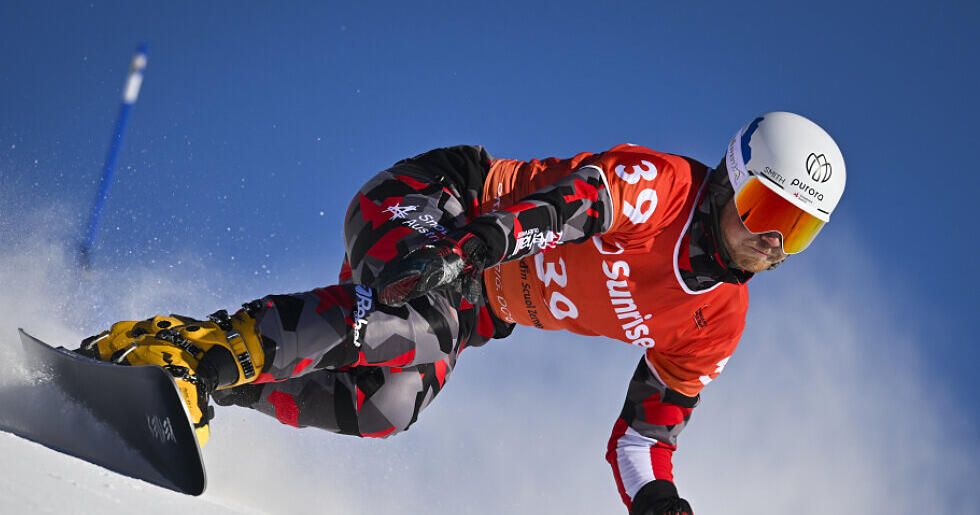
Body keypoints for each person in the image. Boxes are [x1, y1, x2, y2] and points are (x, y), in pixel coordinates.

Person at [79, 111, 846, 514]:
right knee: (413, 317)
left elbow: (645, 436)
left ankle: (188, 369)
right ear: (730, 180)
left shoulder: (716, 321)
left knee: (384, 403)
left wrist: (658, 502)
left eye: (798, 232)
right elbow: (571, 206)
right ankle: (200, 356)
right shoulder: (667, 187)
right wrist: (473, 243)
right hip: (439, 206)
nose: (770, 243)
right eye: (765, 207)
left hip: (475, 301)